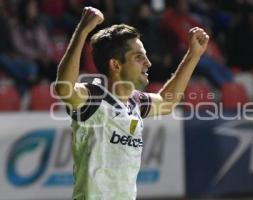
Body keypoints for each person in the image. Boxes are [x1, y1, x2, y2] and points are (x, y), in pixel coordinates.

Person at [55, 7, 209, 200]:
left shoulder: (135, 102)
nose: (148, 63)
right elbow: (64, 89)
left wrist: (193, 55)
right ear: (116, 65)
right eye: (139, 57)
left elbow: (167, 102)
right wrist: (82, 31)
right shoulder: (93, 99)